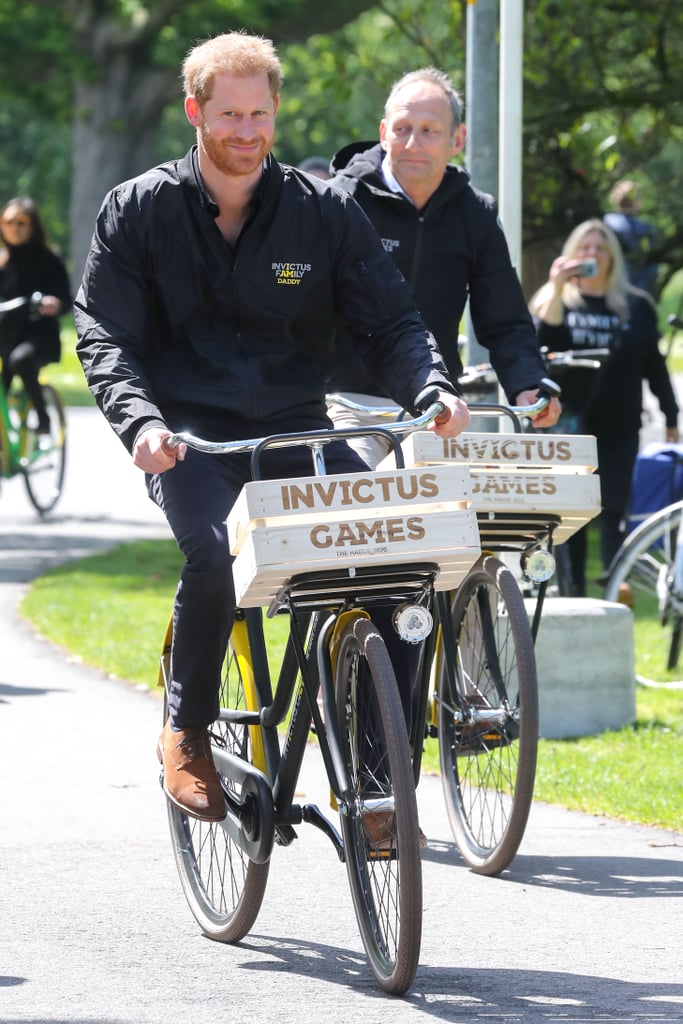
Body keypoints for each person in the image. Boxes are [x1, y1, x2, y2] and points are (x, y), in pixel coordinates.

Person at [74, 32, 471, 825]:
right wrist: (141, 424)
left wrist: (429, 386)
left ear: (276, 111)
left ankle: (375, 780)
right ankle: (185, 729)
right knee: (214, 552)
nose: (246, 131)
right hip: (188, 437)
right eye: (228, 114)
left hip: (295, 432)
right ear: (195, 111)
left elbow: (390, 319)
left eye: (260, 112)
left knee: (397, 567)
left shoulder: (322, 211)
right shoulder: (140, 208)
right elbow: (104, 334)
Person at [326, 66, 560, 468]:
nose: (413, 142)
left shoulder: (476, 214)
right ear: (383, 132)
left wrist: (527, 384)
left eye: (429, 130)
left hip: (436, 409)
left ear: (458, 139)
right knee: (359, 514)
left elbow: (504, 316)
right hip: (345, 403)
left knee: (444, 524)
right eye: (402, 128)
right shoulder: (339, 201)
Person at [529, 218, 679, 596]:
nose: (592, 254)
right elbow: (536, 345)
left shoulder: (635, 305)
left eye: (599, 247)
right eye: (584, 247)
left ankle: (616, 586)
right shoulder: (556, 299)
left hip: (620, 424)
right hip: (567, 425)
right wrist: (557, 285)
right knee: (570, 513)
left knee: (613, 507)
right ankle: (572, 592)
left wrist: (671, 415)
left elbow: (655, 366)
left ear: (611, 256)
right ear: (571, 255)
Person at [0, 197, 72, 433]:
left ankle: (43, 418)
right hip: (6, 336)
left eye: (21, 221)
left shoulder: (49, 259)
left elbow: (66, 301)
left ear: (32, 225)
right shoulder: (2, 261)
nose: (14, 227)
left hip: (38, 338)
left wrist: (54, 304)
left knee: (20, 360)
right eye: (8, 221)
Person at [604, 180, 659, 296]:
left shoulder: (607, 221)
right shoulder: (644, 228)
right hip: (637, 285)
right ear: (636, 202)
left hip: (612, 283)